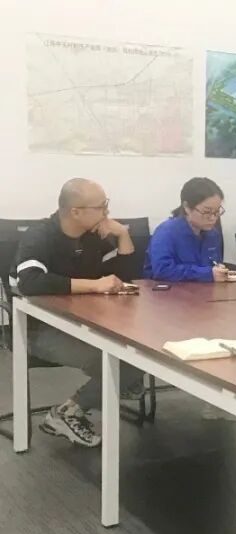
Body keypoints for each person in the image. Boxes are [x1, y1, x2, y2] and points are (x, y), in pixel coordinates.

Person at [10, 178, 145, 447]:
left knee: (138, 354)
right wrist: (93, 285)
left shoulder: (92, 236)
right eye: (101, 206)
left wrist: (122, 235)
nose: (107, 212)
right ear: (76, 211)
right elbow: (30, 282)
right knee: (127, 364)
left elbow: (126, 278)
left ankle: (117, 386)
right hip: (40, 330)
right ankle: (68, 412)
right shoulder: (40, 236)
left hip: (85, 322)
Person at [144, 177, 228, 282]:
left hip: (203, 289)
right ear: (187, 207)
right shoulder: (166, 232)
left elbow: (214, 265)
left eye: (217, 211)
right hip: (168, 290)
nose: (213, 218)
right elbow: (162, 270)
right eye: (207, 212)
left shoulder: (212, 234)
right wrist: (207, 274)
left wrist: (219, 271)